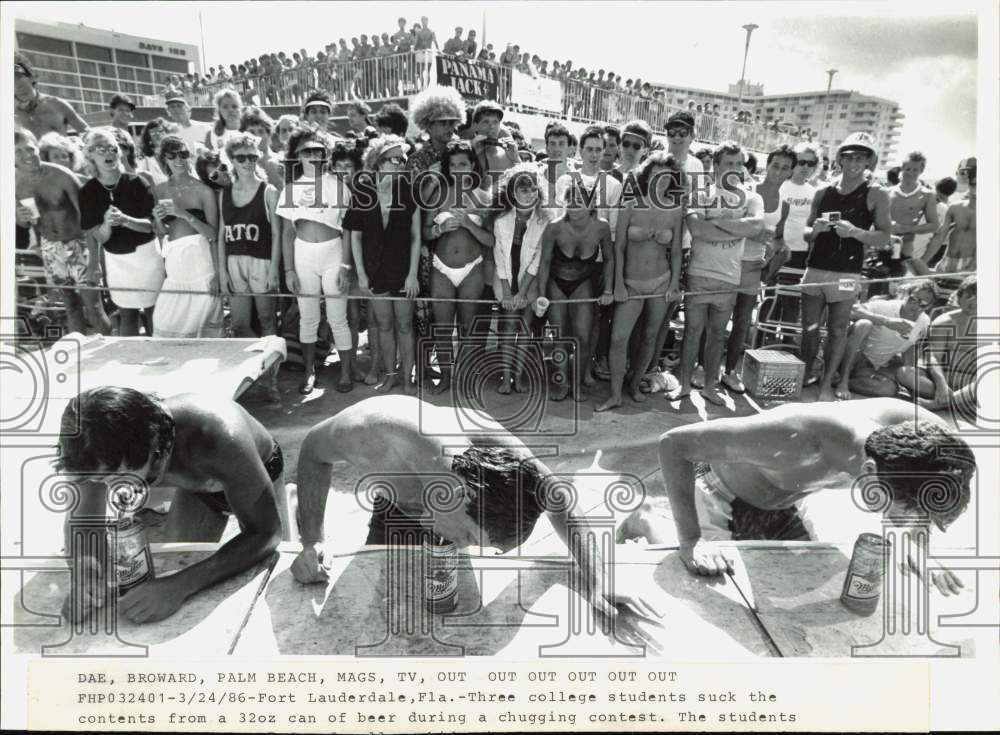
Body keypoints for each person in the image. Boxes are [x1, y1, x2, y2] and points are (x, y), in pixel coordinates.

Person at [289, 395, 664, 620]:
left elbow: (558, 496)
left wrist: (599, 578)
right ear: (460, 496)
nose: (469, 546)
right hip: (394, 510)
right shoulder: (370, 431)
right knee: (377, 618)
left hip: (444, 510)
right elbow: (311, 452)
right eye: (470, 536)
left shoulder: (491, 444)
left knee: (455, 621)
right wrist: (312, 540)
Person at [654, 397, 972, 596]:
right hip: (720, 495)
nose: (910, 523)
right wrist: (692, 539)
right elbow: (673, 445)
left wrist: (916, 544)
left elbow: (930, 493)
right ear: (872, 473)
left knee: (817, 589)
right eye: (904, 515)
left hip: (789, 500)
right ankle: (650, 520)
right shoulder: (797, 437)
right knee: (707, 587)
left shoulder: (929, 433)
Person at [56, 387, 290, 624]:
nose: (109, 487)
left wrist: (179, 586)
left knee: (281, 577)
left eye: (115, 477)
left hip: (255, 472)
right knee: (174, 569)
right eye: (100, 480)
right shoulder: (91, 448)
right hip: (197, 491)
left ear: (150, 446)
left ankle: (293, 504)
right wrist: (86, 574)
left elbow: (267, 534)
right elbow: (83, 525)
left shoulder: (215, 435)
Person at [670, 142, 763, 406]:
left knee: (717, 335)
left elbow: (756, 227)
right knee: (692, 332)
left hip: (730, 276)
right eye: (728, 163)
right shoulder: (702, 194)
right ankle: (685, 386)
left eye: (738, 164)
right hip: (699, 273)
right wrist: (738, 226)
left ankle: (710, 387)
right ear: (717, 165)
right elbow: (699, 231)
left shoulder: (753, 197)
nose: (733, 169)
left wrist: (718, 222)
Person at [801, 132, 892, 402]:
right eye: (849, 156)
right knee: (809, 327)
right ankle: (806, 375)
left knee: (839, 330)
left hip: (847, 273)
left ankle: (827, 383)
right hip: (816, 268)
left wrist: (856, 233)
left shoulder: (877, 193)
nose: (854, 163)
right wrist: (814, 230)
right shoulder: (823, 191)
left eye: (860, 157)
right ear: (840, 158)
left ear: (868, 161)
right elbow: (806, 234)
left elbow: (885, 236)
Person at [597, 152, 684, 412]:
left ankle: (634, 383)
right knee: (618, 338)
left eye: (666, 177)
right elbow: (619, 248)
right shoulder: (631, 205)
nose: (660, 181)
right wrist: (618, 285)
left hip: (661, 281)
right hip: (631, 283)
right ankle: (614, 394)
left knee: (650, 336)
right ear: (647, 177)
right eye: (656, 175)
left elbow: (677, 251)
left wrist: (674, 285)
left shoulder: (676, 210)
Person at [278, 128, 355, 395]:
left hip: (333, 252)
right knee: (308, 318)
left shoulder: (339, 186)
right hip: (303, 255)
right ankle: (309, 372)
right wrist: (288, 269)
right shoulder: (290, 189)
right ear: (297, 156)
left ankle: (345, 372)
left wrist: (346, 265)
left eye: (318, 151)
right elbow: (288, 232)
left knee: (337, 318)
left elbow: (348, 230)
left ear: (326, 155)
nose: (313, 156)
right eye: (307, 151)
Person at [345, 134, 421, 395]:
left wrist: (413, 275)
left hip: (401, 270)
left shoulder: (409, 192)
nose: (401, 164)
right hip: (375, 270)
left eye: (403, 160)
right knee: (384, 325)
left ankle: (407, 379)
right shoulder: (363, 193)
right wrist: (362, 275)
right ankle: (389, 376)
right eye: (395, 159)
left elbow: (416, 238)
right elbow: (355, 236)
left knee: (404, 325)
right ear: (378, 162)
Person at [15, 130, 111, 335]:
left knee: (93, 308)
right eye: (18, 151)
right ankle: (80, 356)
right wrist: (20, 218)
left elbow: (90, 220)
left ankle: (112, 353)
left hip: (79, 243)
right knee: (70, 306)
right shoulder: (16, 184)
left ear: (37, 148)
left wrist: (94, 261)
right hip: (50, 248)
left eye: (30, 149)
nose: (27, 155)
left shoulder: (61, 176)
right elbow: (27, 225)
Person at [422, 140, 494, 395]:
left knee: (467, 327)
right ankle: (446, 377)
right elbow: (424, 233)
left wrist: (469, 225)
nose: (457, 169)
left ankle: (464, 377)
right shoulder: (439, 194)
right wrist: (439, 229)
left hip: (472, 270)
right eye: (452, 165)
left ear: (473, 164)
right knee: (442, 327)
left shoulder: (484, 197)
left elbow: (491, 240)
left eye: (463, 163)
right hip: (441, 269)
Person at [722, 145, 796, 393]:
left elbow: (777, 239)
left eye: (785, 168)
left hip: (753, 269)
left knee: (742, 324)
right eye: (776, 165)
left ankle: (730, 372)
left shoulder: (784, 206)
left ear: (790, 172)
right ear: (768, 165)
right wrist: (756, 235)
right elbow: (732, 226)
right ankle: (703, 368)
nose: (779, 171)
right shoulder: (748, 192)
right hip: (729, 262)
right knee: (718, 321)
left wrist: (770, 259)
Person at [79, 128, 164, 337]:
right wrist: (107, 224)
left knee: (155, 310)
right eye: (100, 150)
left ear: (119, 152)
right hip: (116, 260)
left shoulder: (137, 182)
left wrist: (126, 220)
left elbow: (151, 226)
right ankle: (131, 362)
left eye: (112, 148)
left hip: (146, 257)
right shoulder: (87, 192)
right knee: (127, 314)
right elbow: (98, 237)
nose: (108, 154)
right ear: (90, 155)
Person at [536, 181, 615, 402]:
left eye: (580, 201)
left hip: (583, 283)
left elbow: (609, 259)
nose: (574, 206)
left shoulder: (601, 226)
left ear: (591, 205)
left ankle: (577, 384)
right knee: (559, 337)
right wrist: (542, 295)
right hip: (556, 283)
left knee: (582, 337)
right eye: (570, 201)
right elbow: (545, 262)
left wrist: (608, 288)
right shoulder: (555, 226)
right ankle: (562, 383)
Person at [151, 134, 224, 339]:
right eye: (172, 155)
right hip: (174, 265)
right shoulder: (160, 189)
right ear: (164, 159)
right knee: (164, 322)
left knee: (204, 328)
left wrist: (184, 214)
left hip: (201, 263)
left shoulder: (203, 190)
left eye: (183, 154)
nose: (179, 160)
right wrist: (157, 220)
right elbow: (163, 233)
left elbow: (213, 234)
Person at [217, 132, 281, 343]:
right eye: (241, 157)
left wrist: (273, 269)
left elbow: (276, 234)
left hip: (261, 260)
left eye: (252, 157)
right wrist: (222, 271)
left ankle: (271, 372)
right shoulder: (224, 193)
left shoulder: (268, 191)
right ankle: (256, 364)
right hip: (234, 260)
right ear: (231, 159)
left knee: (267, 319)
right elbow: (221, 235)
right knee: (239, 324)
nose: (247, 162)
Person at [493, 163, 550, 394]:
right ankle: (505, 379)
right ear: (513, 193)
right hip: (506, 279)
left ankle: (519, 377)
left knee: (525, 329)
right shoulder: (501, 220)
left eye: (533, 189)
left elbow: (537, 259)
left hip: (530, 281)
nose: (530, 194)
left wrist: (523, 293)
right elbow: (499, 257)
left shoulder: (544, 220)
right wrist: (508, 293)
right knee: (507, 328)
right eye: (524, 190)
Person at [912, 158, 976, 294]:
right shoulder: (954, 207)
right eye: (972, 182)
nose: (974, 187)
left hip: (971, 268)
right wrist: (922, 262)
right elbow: (938, 238)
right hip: (946, 264)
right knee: (934, 302)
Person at [916, 275, 977, 411]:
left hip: (973, 380)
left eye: (979, 298)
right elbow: (933, 357)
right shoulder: (944, 321)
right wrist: (941, 384)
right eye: (968, 296)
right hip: (945, 376)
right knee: (905, 374)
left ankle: (942, 403)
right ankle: (962, 401)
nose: (972, 303)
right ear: (959, 297)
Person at [15, 53, 89, 138]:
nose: (16, 85)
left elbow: (88, 134)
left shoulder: (57, 104)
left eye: (19, 78)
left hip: (59, 150)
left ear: (32, 77)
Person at [773, 142, 820, 273]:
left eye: (810, 163)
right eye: (802, 162)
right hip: (778, 251)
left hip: (803, 253)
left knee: (792, 292)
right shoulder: (778, 187)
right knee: (772, 292)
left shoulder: (817, 192)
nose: (805, 166)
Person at [888, 151, 939, 262]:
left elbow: (934, 225)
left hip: (905, 246)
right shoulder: (888, 192)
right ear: (902, 168)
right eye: (908, 169)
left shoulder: (927, 195)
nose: (910, 173)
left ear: (921, 171)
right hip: (883, 243)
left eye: (915, 170)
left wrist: (908, 228)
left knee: (898, 277)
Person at [470, 100, 520, 188]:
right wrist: (471, 154)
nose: (492, 126)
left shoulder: (508, 152)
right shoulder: (467, 151)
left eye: (495, 122)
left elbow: (522, 184)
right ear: (475, 125)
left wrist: (516, 160)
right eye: (486, 122)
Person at [136, 118, 177, 186]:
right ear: (149, 138)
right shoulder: (144, 158)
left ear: (167, 133)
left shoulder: (178, 153)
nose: (158, 134)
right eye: (153, 133)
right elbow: (141, 180)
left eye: (160, 131)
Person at [205, 88, 244, 153]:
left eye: (234, 106)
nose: (230, 110)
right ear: (219, 110)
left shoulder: (250, 130)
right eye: (225, 107)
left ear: (240, 109)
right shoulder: (211, 134)